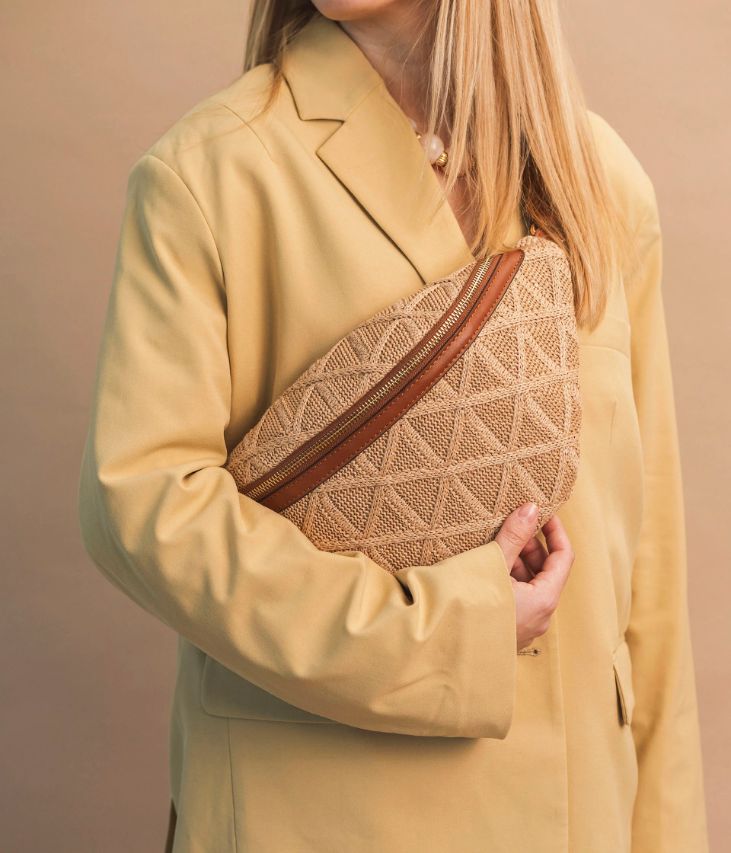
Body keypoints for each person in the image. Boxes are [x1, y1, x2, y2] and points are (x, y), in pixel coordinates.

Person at [77, 2, 709, 851]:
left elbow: (646, 586)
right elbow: (141, 509)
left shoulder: (597, 182)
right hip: (311, 813)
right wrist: (444, 633)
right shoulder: (211, 173)